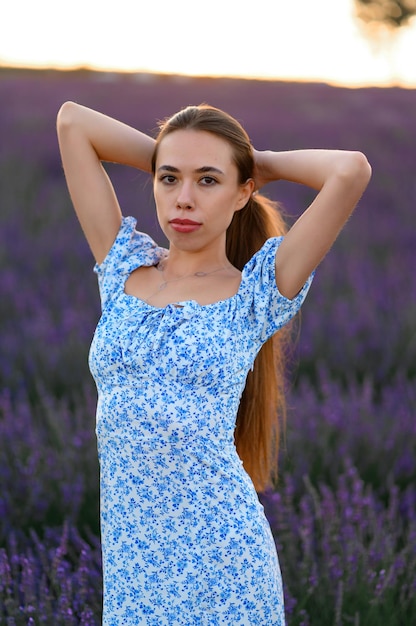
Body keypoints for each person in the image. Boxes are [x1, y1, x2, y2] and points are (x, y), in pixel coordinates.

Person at [56, 100, 371, 625]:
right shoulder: (123, 269)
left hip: (222, 560)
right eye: (168, 179)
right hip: (134, 560)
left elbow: (350, 169)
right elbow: (72, 121)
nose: (183, 199)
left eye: (207, 182)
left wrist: (256, 162)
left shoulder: (256, 293)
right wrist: (181, 159)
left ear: (244, 192)